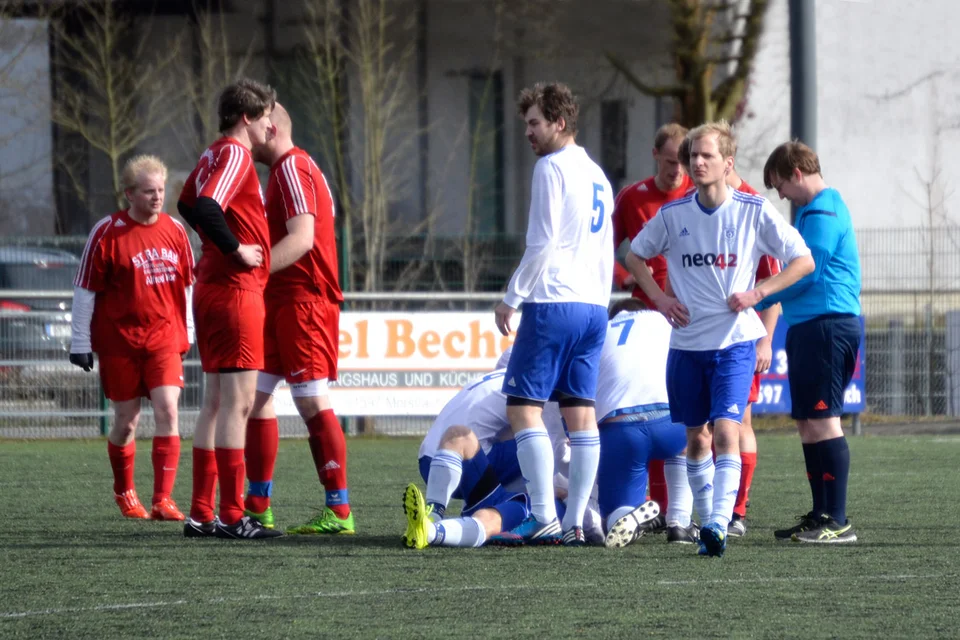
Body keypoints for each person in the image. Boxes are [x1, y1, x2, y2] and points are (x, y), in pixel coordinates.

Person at [626, 121, 814, 557]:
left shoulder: (753, 210)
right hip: (687, 346)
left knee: (728, 430)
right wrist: (659, 297)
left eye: (706, 155)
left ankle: (717, 522)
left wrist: (759, 292)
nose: (696, 162)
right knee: (697, 439)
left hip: (735, 343)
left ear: (727, 163)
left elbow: (802, 261)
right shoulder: (673, 216)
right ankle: (709, 521)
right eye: (693, 156)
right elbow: (635, 255)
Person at [493, 82, 614, 546]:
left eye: (534, 123)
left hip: (554, 302)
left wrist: (512, 297)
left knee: (522, 408)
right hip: (592, 308)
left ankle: (542, 514)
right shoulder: (598, 173)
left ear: (559, 123)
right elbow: (603, 249)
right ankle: (577, 521)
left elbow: (541, 242)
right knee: (581, 414)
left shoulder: (551, 167)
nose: (528, 132)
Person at [177, 78, 282, 540]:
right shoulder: (236, 154)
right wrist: (235, 247)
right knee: (237, 406)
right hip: (236, 290)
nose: (270, 129)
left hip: (213, 288)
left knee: (216, 404)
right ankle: (233, 516)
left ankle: (202, 514)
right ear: (247, 118)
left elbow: (185, 203)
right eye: (265, 119)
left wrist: (215, 245)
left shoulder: (211, 153)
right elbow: (203, 205)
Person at [241, 103, 353, 535]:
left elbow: (303, 238)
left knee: (309, 399)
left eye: (251, 128)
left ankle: (339, 510)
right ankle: (257, 503)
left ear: (269, 128)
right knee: (255, 396)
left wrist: (254, 270)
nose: (247, 138)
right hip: (282, 299)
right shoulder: (290, 169)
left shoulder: (291, 167)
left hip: (304, 300)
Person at [748, 140, 862, 544]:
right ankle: (821, 515)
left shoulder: (824, 211)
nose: (780, 195)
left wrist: (760, 294)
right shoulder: (816, 212)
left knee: (824, 419)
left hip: (827, 326)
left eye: (780, 185)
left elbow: (808, 273)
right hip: (811, 327)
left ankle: (839, 521)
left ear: (797, 173)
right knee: (808, 424)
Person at [70, 155, 195, 521]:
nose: (157, 197)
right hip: (119, 341)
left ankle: (163, 499)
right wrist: (80, 342)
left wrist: (188, 333)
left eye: (160, 190)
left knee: (168, 411)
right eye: (148, 191)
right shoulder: (107, 232)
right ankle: (124, 490)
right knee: (127, 421)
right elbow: (85, 289)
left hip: (164, 338)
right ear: (129, 194)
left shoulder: (175, 231)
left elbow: (187, 286)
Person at [611, 123, 693, 522]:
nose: (679, 169)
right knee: (653, 407)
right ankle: (657, 507)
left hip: (692, 317)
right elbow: (603, 247)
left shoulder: (699, 192)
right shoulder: (632, 198)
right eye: (672, 161)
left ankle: (723, 510)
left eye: (685, 161)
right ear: (656, 155)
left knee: (690, 413)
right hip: (647, 315)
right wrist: (621, 276)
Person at [402, 369, 578, 549]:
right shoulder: (554, 396)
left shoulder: (522, 368)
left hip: (430, 457)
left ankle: (430, 526)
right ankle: (432, 524)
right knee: (536, 439)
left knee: (458, 435)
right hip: (509, 488)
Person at [595, 299, 696, 548]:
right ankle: (680, 522)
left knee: (613, 518)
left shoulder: (601, 332)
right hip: (669, 422)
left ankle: (629, 513)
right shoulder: (662, 321)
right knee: (688, 443)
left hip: (620, 427)